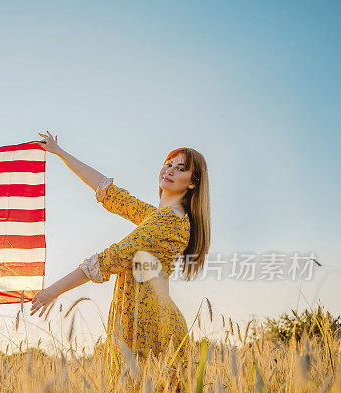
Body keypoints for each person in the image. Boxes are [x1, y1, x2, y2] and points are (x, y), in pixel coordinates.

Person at [30, 132, 210, 359]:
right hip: (139, 322)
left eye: (181, 168)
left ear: (193, 182)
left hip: (151, 328)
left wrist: (51, 292)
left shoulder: (167, 220)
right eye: (168, 164)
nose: (170, 171)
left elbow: (110, 259)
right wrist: (60, 152)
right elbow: (110, 194)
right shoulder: (158, 216)